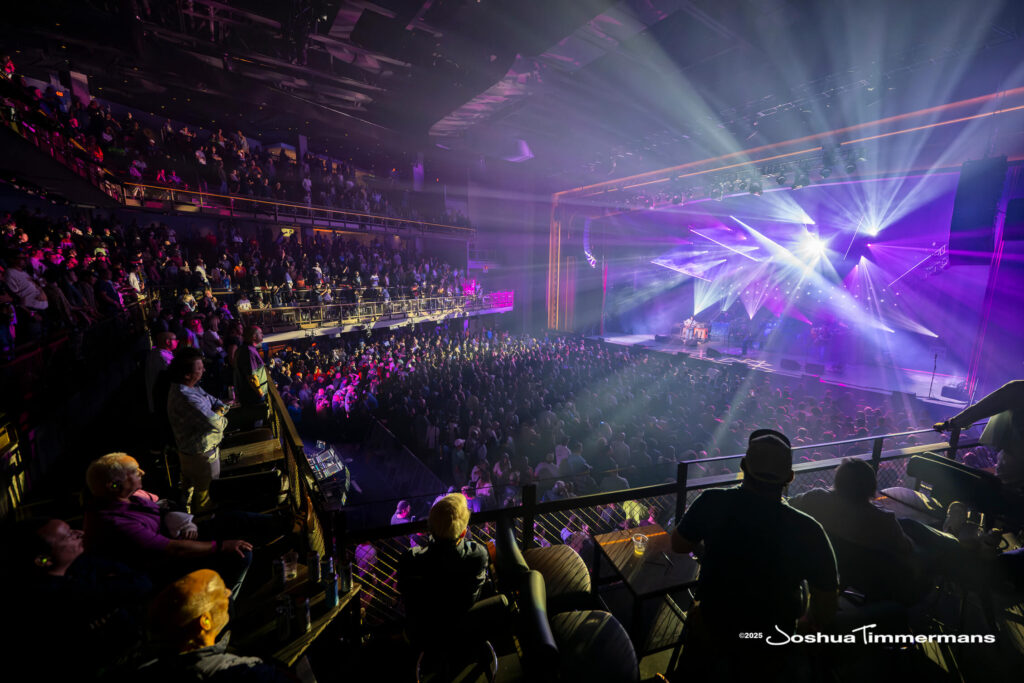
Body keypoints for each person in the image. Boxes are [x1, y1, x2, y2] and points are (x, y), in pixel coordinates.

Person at [670, 429, 838, 680]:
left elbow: (679, 544)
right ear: (790, 477)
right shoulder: (809, 530)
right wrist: (806, 622)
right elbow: (826, 603)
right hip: (772, 643)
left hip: (710, 629)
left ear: (742, 465)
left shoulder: (711, 501)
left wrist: (709, 549)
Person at [83, 453, 255, 596]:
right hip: (167, 567)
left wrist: (183, 522)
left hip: (179, 536)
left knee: (235, 519)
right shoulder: (114, 522)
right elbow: (173, 549)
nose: (141, 472)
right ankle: (223, 600)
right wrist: (221, 546)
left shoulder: (131, 496)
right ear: (114, 485)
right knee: (240, 555)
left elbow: (161, 504)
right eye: (134, 472)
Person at [141, 569, 294, 682]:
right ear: (205, 621)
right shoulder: (246, 673)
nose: (228, 593)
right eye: (221, 592)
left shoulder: (146, 671)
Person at [398, 493, 507, 648]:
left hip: (426, 632)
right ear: (463, 533)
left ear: (431, 528)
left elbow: (406, 595)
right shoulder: (478, 554)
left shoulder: (409, 560)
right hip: (467, 628)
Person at [167, 347, 229, 513]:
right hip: (201, 458)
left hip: (190, 453)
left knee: (190, 492)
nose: (204, 370)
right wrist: (221, 415)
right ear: (187, 374)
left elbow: (216, 402)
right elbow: (217, 424)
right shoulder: (187, 397)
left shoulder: (191, 388)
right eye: (200, 369)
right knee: (206, 496)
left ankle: (189, 519)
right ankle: (204, 527)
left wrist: (218, 410)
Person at [233, 325, 268, 428]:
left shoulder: (245, 349)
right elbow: (252, 376)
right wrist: (261, 393)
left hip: (249, 395)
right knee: (255, 424)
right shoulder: (248, 351)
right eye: (260, 333)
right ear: (253, 336)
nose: (263, 335)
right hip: (253, 397)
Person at [146, 331, 178, 414]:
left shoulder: (159, 353)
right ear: (168, 342)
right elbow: (169, 376)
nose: (177, 341)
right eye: (175, 340)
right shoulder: (161, 357)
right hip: (162, 398)